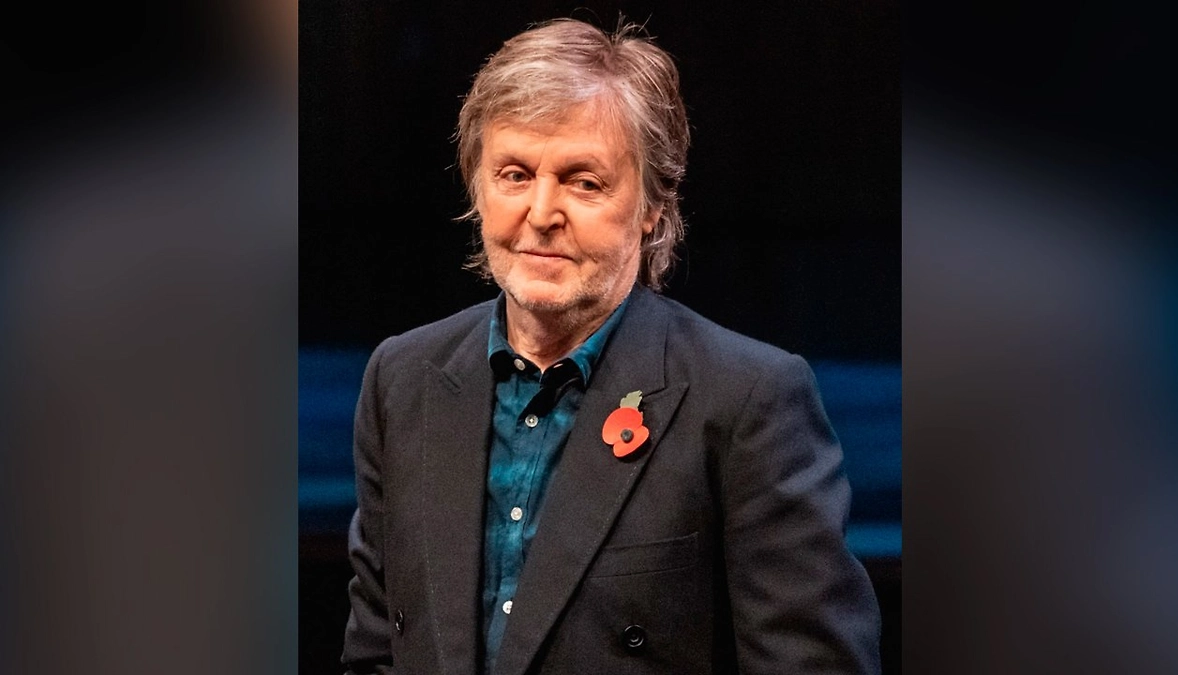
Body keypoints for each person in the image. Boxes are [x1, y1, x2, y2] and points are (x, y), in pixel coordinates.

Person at [342, 18, 880, 675]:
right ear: (476, 188)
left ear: (652, 205)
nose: (542, 213)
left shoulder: (748, 400)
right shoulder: (402, 379)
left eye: (584, 182)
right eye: (514, 174)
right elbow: (374, 652)